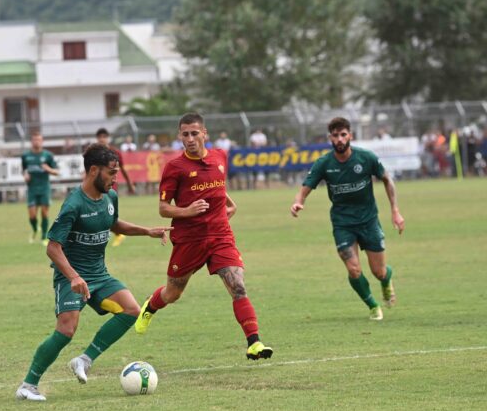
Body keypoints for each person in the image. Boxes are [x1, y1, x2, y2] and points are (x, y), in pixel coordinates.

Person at [15, 144, 172, 401]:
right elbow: (53, 248)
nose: (115, 178)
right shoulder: (74, 204)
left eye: (117, 172)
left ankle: (84, 360)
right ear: (93, 171)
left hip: (99, 275)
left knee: (132, 310)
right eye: (111, 172)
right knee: (66, 331)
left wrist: (147, 231)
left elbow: (114, 223)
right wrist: (74, 277)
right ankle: (28, 385)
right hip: (71, 276)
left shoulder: (110, 197)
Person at [134, 113, 274, 361]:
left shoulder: (220, 156)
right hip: (189, 240)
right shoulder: (175, 167)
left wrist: (230, 204)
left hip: (220, 235)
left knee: (238, 287)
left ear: (204, 134)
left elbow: (217, 185)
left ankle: (254, 342)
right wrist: (187, 211)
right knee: (172, 293)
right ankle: (150, 306)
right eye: (185, 134)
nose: (190, 139)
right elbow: (163, 208)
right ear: (180, 136)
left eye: (194, 133)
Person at [290, 116, 405, 320]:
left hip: (368, 221)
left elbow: (387, 180)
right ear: (330, 138)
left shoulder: (366, 158)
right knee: (353, 269)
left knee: (378, 271)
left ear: (350, 135)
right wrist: (298, 202)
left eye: (343, 135)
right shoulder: (324, 163)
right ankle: (373, 305)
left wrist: (395, 210)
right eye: (335, 135)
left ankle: (386, 280)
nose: (340, 139)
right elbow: (306, 186)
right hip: (342, 223)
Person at [95, 128, 135, 246]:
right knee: (99, 211)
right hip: (97, 186)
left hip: (110, 186)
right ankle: (114, 234)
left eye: (104, 137)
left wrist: (130, 184)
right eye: (100, 137)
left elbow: (123, 169)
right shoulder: (95, 153)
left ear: (108, 138)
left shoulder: (115, 152)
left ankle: (117, 234)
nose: (102, 139)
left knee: (108, 211)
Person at [21, 131, 60, 245]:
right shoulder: (26, 156)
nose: (36, 142)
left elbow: (57, 172)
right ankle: (34, 229)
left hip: (44, 188)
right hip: (32, 189)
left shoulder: (48, 155)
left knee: (44, 213)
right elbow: (23, 169)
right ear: (31, 141)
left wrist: (48, 169)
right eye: (34, 139)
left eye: (39, 139)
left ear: (42, 141)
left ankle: (44, 237)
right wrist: (25, 175)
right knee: (32, 215)